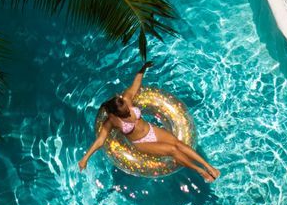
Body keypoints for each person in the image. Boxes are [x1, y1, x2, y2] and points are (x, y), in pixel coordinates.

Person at [78, 64, 219, 182]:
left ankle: (209, 167)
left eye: (127, 109)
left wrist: (143, 68)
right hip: (142, 143)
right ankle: (200, 171)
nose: (128, 113)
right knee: (172, 150)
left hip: (152, 130)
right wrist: (85, 158)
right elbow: (100, 140)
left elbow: (136, 84)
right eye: (124, 113)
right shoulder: (111, 122)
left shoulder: (126, 100)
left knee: (178, 144)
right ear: (115, 113)